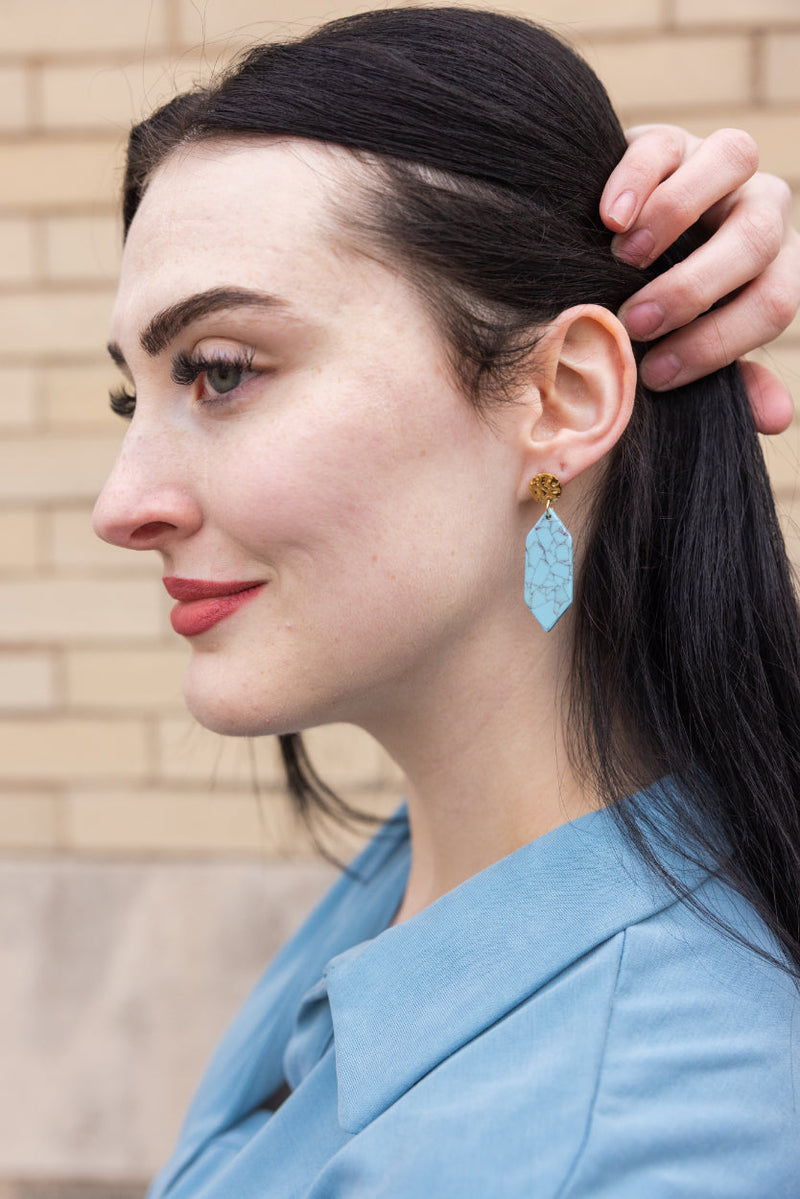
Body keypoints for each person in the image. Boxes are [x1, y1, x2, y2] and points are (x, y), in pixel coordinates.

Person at [92, 9, 800, 1196]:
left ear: (563, 396)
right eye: (135, 398)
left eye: (219, 372)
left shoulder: (651, 1142)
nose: (122, 504)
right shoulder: (437, 857)